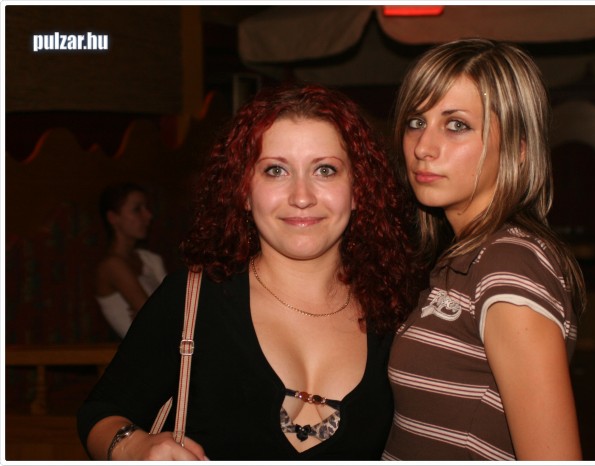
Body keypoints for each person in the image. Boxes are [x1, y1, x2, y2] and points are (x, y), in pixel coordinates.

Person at [77, 84, 422, 460]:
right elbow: (101, 411)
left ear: (358, 190)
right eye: (276, 170)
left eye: (325, 170)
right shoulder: (192, 299)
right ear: (243, 190)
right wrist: (134, 446)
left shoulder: (399, 313)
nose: (301, 196)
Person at [382, 38, 586, 461]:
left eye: (456, 125)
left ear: (518, 148)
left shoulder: (510, 264)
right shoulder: (468, 258)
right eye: (416, 121)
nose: (422, 147)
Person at [95, 182, 167, 338]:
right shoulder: (112, 266)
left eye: (146, 208)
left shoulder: (150, 259)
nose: (148, 216)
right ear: (113, 218)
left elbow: (173, 310)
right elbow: (155, 317)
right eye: (137, 209)